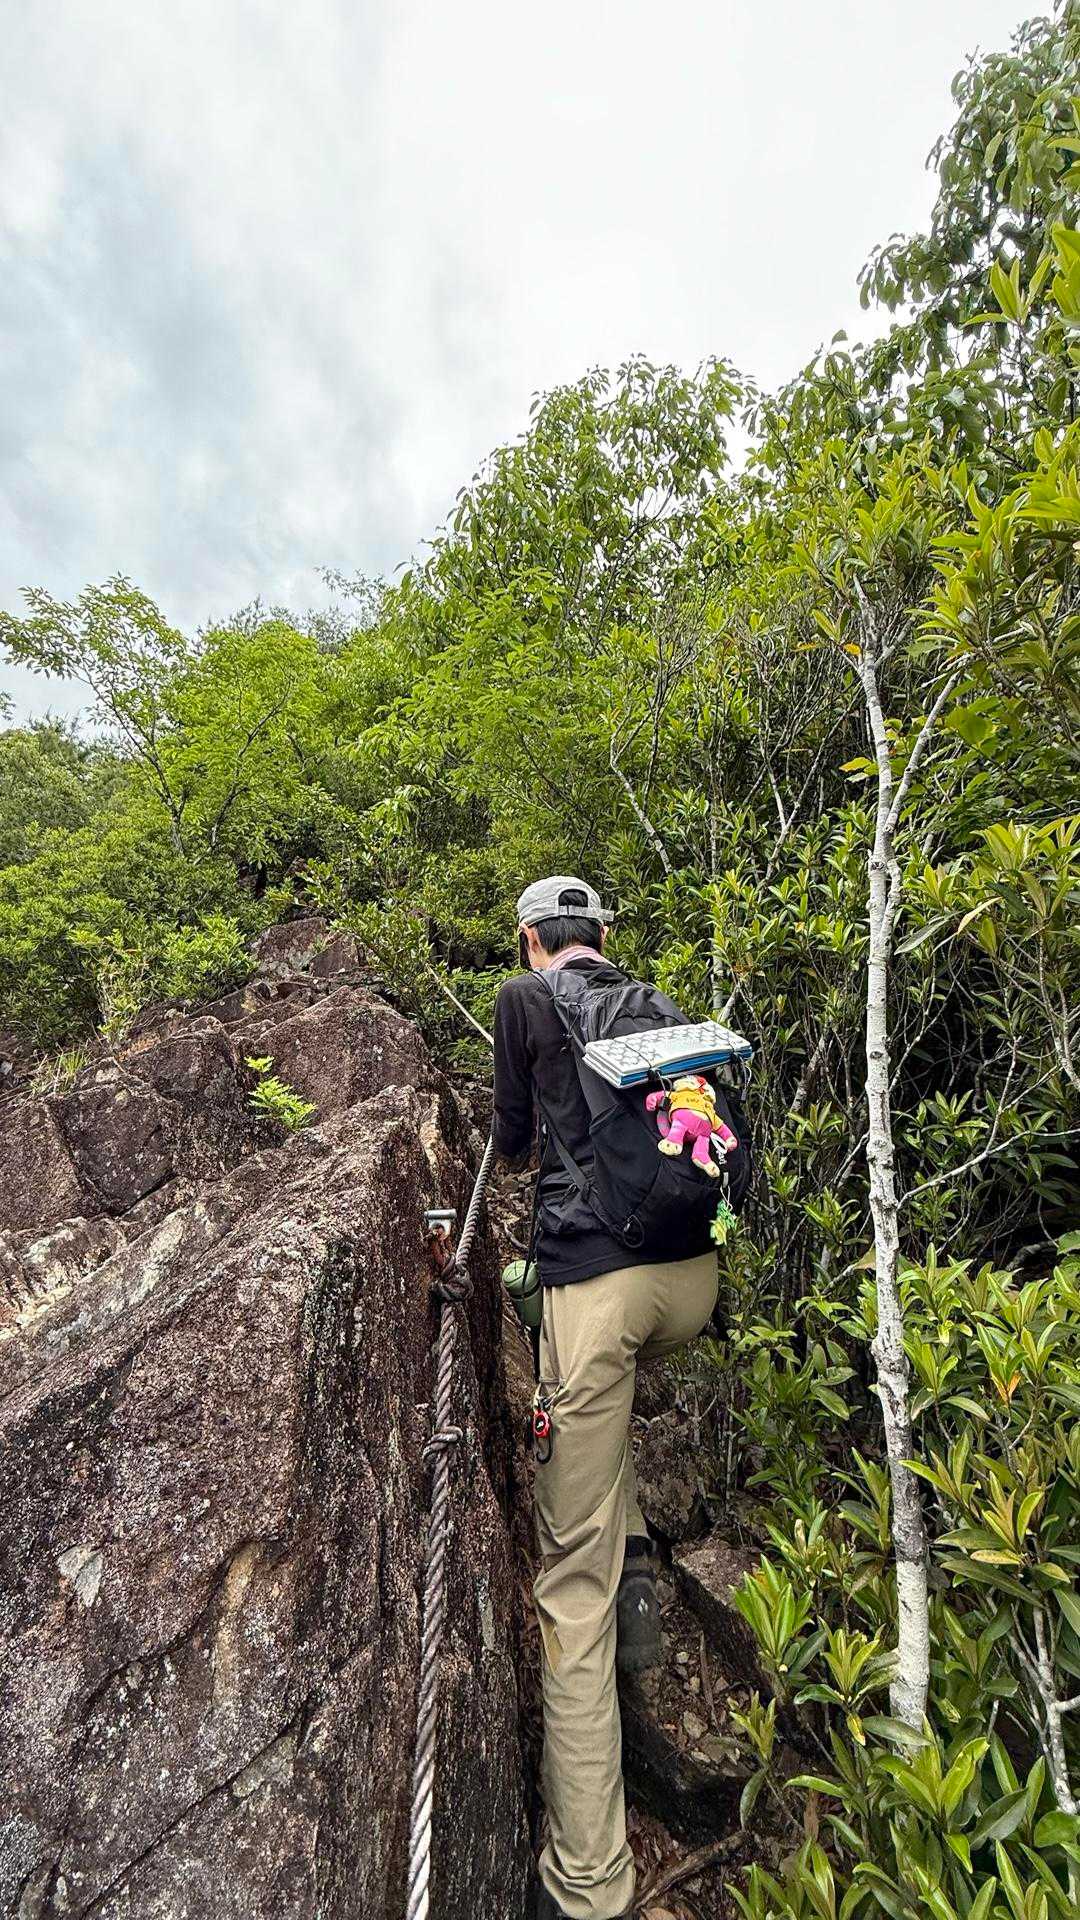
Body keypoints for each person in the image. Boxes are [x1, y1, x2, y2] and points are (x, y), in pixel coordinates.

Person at [492, 876, 720, 1920]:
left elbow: (511, 1136)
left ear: (532, 939)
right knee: (607, 1430)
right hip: (692, 1281)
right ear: (602, 937)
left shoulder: (525, 998)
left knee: (566, 1580)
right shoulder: (655, 1004)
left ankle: (586, 1882)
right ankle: (643, 1619)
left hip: (602, 1289)